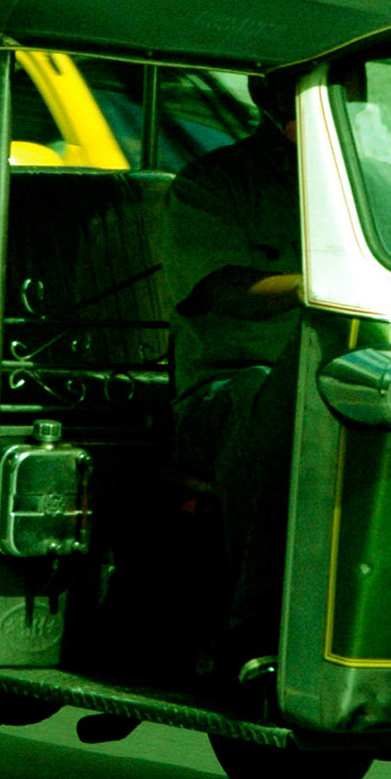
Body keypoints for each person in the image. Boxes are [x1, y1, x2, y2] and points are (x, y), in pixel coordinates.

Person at [160, 72, 301, 691]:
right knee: (267, 404)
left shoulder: (376, 185)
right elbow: (218, 290)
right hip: (224, 394)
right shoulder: (214, 183)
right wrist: (315, 281)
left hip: (347, 384)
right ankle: (251, 635)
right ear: (268, 98)